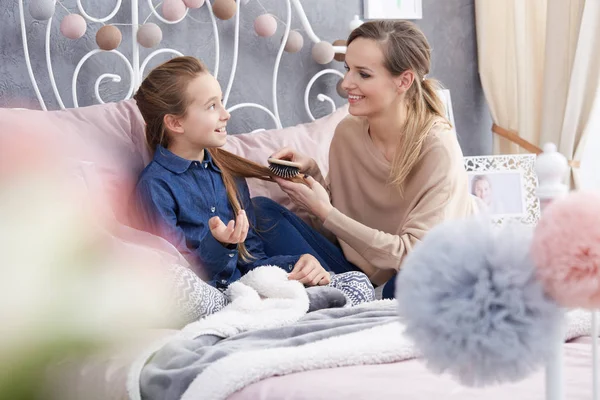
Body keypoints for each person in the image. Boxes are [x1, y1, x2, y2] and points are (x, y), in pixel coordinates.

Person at [133, 56, 374, 316]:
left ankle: (280, 307)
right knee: (177, 286)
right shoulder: (155, 185)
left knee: (358, 283)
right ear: (175, 123)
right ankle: (274, 309)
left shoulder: (229, 175)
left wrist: (299, 265)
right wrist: (220, 246)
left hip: (249, 286)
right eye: (212, 106)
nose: (226, 114)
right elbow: (180, 270)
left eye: (221, 102)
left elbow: (252, 258)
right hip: (208, 291)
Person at [270, 20, 478, 299]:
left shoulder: (436, 147)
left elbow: (411, 256)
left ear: (403, 81)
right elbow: (338, 234)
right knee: (262, 213)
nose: (345, 84)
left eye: (363, 74)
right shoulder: (347, 133)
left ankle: (347, 293)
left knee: (413, 281)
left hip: (418, 272)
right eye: (347, 69)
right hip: (353, 273)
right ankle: (347, 289)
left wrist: (325, 212)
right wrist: (313, 180)